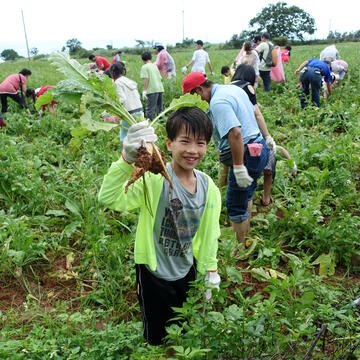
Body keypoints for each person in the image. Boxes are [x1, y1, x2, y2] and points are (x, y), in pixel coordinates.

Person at [98, 107, 221, 345]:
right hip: (154, 274)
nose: (193, 150)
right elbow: (109, 197)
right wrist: (127, 160)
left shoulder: (209, 187)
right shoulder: (154, 181)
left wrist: (210, 271)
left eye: (201, 143)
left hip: (188, 270)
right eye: (184, 141)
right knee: (157, 337)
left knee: (184, 329)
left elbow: (209, 236)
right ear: (168, 144)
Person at [182, 72, 270, 251]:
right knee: (247, 194)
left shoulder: (218, 102)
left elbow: (235, 133)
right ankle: (244, 231)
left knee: (235, 205)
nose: (196, 101)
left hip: (245, 153)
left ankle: (239, 249)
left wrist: (238, 167)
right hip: (259, 147)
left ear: (200, 89)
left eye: (194, 96)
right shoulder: (232, 89)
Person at [109, 62, 143, 143]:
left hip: (129, 114)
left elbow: (122, 99)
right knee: (138, 137)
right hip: (140, 112)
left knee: (124, 139)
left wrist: (112, 108)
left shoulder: (117, 83)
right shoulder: (129, 81)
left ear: (113, 73)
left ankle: (127, 155)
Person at [140, 51, 164, 120]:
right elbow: (160, 78)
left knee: (150, 109)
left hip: (152, 90)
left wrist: (144, 90)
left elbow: (146, 79)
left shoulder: (144, 67)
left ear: (142, 59)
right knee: (160, 109)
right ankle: (162, 122)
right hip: (160, 89)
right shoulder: (154, 65)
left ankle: (149, 124)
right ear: (151, 58)